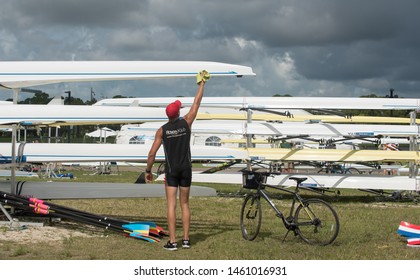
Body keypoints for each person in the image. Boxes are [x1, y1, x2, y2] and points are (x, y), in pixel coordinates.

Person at [145, 70, 210, 250]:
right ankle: (187, 240)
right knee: (185, 204)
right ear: (177, 113)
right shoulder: (187, 122)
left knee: (171, 205)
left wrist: (148, 171)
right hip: (186, 170)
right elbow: (197, 103)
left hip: (172, 171)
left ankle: (173, 242)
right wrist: (202, 83)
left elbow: (151, 154)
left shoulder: (162, 130)